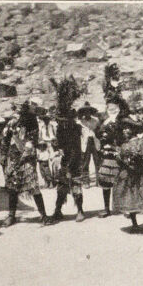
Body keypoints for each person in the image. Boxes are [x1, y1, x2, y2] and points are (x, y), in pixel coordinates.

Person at [1, 104, 48, 224]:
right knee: (13, 186)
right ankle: (11, 215)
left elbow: (33, 140)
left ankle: (43, 214)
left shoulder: (33, 123)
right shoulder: (12, 123)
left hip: (28, 158)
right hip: (13, 156)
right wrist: (2, 154)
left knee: (33, 186)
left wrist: (27, 151)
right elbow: (5, 138)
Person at [113, 120, 143, 232]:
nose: (125, 130)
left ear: (133, 130)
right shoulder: (124, 145)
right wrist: (119, 157)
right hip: (128, 174)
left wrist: (129, 159)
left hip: (140, 173)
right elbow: (122, 160)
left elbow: (140, 156)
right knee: (130, 196)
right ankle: (134, 224)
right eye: (123, 128)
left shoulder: (141, 142)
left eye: (127, 128)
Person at [50, 77, 86, 221]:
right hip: (64, 159)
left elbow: (76, 148)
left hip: (74, 159)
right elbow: (58, 144)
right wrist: (58, 150)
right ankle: (58, 210)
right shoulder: (60, 129)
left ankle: (80, 211)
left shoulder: (75, 129)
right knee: (61, 187)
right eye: (59, 120)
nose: (60, 122)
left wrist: (69, 163)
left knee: (76, 185)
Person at [97, 96, 127, 215]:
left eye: (114, 105)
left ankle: (124, 207)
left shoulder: (123, 120)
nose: (112, 107)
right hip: (107, 154)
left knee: (122, 180)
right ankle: (106, 208)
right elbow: (99, 134)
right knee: (105, 179)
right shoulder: (104, 120)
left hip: (120, 153)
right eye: (109, 105)